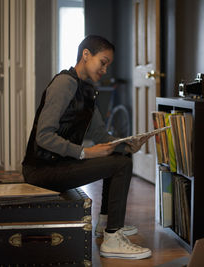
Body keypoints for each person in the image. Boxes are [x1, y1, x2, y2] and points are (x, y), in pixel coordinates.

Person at [22, 35, 152, 260]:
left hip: (61, 164)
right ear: (86, 55)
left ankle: (105, 224)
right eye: (103, 62)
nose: (104, 70)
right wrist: (84, 152)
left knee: (122, 159)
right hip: (41, 171)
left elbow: (101, 136)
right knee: (119, 165)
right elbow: (44, 136)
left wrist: (129, 146)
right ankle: (112, 238)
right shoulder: (64, 83)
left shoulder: (87, 91)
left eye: (107, 65)